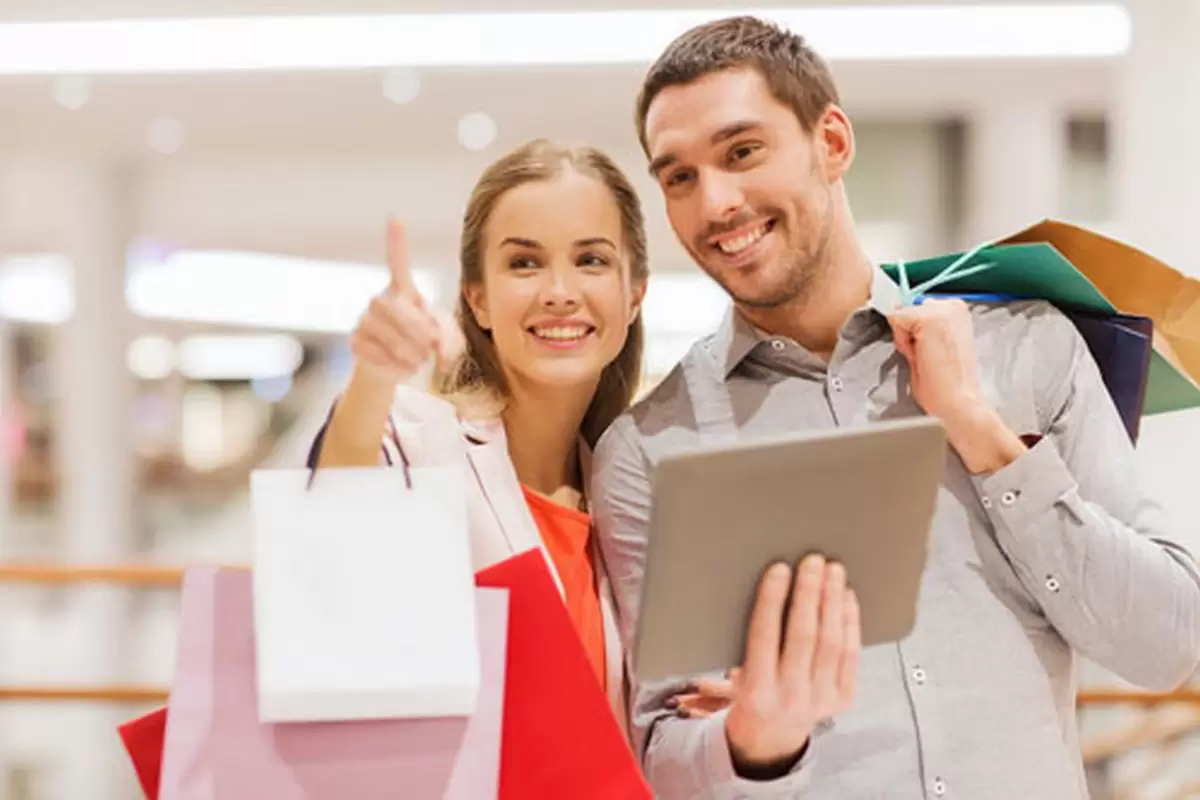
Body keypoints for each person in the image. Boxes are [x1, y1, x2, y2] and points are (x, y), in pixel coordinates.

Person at [590, 15, 1200, 799]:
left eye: (743, 152)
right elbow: (664, 756)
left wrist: (983, 435)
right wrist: (754, 742)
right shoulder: (649, 449)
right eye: (678, 176)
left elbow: (1170, 643)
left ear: (833, 142)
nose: (715, 203)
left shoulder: (1026, 346)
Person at [309, 138, 720, 728]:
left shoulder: (639, 486)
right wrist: (372, 378)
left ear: (634, 295)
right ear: (477, 298)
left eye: (591, 260)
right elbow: (330, 518)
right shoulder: (418, 443)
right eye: (524, 263)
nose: (559, 291)